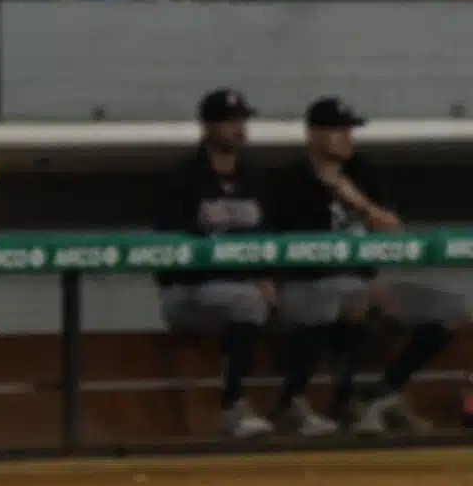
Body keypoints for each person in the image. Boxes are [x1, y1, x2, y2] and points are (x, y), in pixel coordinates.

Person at [269, 97, 468, 433]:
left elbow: (394, 232)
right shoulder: (290, 181)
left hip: (363, 283)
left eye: (350, 130)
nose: (348, 137)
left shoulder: (362, 172)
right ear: (315, 135)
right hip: (306, 287)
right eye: (338, 130)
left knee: (451, 307)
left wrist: (354, 199)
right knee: (350, 293)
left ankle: (382, 394)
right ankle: (322, 402)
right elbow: (279, 249)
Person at [152, 88, 277, 439]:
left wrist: (265, 276)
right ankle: (232, 405)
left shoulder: (255, 179)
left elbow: (269, 237)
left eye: (242, 121)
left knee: (294, 305)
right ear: (207, 127)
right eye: (229, 121)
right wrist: (250, 278)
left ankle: (292, 405)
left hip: (240, 288)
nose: (238, 128)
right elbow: (173, 251)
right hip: (187, 291)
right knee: (246, 301)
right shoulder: (181, 179)